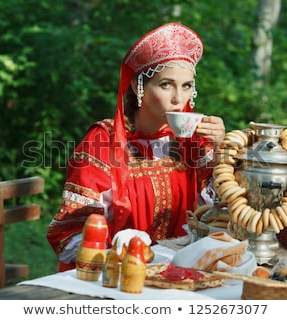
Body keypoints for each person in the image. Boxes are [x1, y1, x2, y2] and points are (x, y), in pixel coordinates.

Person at [47, 22, 225, 271]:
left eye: (186, 86)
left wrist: (221, 152)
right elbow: (72, 230)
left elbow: (220, 211)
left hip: (181, 271)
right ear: (137, 87)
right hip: (115, 276)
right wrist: (119, 255)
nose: (178, 98)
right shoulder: (103, 141)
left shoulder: (193, 141)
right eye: (166, 84)